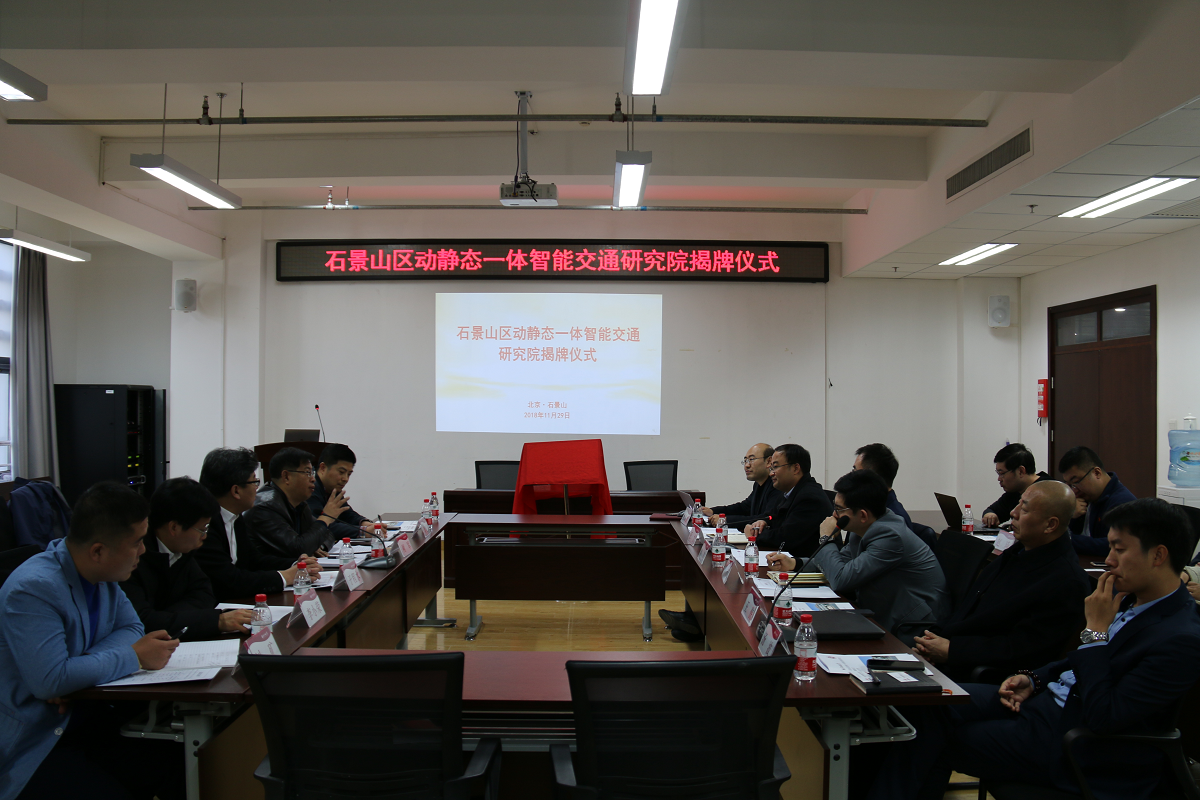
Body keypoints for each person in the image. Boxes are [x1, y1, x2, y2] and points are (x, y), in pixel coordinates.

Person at [868, 498, 1200, 800]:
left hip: (1075, 740)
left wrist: (1095, 634)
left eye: (1119, 549)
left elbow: (1105, 715)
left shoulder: (1180, 638)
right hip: (1045, 705)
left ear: (1158, 555)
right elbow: (1075, 663)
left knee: (938, 739)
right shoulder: (1129, 600)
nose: (1109, 560)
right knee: (929, 704)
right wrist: (1034, 679)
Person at [0, 482, 184, 800]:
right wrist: (134, 658)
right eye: (137, 542)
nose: (143, 551)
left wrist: (76, 673)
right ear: (98, 551)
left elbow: (132, 628)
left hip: (85, 717)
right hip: (36, 742)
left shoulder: (100, 574)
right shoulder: (33, 589)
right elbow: (50, 681)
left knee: (182, 762)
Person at [912, 481, 1090, 682]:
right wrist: (932, 638)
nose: (1013, 513)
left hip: (985, 676)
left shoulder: (1067, 582)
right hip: (950, 653)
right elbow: (968, 609)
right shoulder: (1017, 552)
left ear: (1050, 525)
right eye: (1018, 504)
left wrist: (952, 651)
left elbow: (1023, 650)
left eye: (1024, 509)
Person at [771, 470, 946, 638]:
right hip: (880, 612)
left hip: (911, 627)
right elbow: (840, 562)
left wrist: (826, 538)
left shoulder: (890, 536)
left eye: (839, 509)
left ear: (862, 515)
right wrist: (795, 563)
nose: (834, 514)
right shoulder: (865, 525)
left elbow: (840, 579)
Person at [119, 477, 255, 641]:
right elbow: (143, 622)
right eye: (202, 529)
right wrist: (215, 621)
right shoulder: (133, 558)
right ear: (174, 527)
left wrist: (166, 617)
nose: (204, 536)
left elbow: (204, 593)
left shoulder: (182, 550)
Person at [195, 447, 322, 600]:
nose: (258, 489)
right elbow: (229, 580)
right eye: (254, 482)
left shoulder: (235, 517)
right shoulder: (204, 526)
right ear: (236, 491)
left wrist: (296, 564)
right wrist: (285, 576)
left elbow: (254, 560)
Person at [243, 447, 340, 567]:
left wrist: (318, 546)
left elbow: (327, 534)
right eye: (307, 473)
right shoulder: (265, 508)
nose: (313, 479)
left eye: (312, 473)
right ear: (286, 476)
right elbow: (297, 549)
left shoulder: (299, 504)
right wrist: (325, 518)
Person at [744, 444, 832, 557]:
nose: (771, 473)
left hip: (806, 563)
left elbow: (785, 538)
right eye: (771, 468)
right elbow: (773, 517)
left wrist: (754, 535)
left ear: (796, 468)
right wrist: (764, 523)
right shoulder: (788, 492)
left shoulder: (809, 498)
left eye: (775, 467)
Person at [1059, 446, 1137, 557]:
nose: (1074, 490)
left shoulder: (1123, 503)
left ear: (1096, 473)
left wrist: (1067, 539)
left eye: (1076, 482)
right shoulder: (1084, 497)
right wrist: (1070, 516)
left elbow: (1110, 545)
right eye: (1069, 485)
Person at [853, 443, 935, 545]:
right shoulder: (869, 509)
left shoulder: (893, 522)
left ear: (872, 478)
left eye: (855, 471)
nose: (851, 477)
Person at [699, 443, 781, 528]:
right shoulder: (758, 484)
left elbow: (766, 518)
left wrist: (726, 520)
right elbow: (744, 507)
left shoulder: (777, 486)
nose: (747, 465)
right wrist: (713, 511)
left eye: (751, 459)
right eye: (745, 461)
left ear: (769, 461)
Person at [308, 443, 375, 541]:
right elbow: (322, 526)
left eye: (349, 474)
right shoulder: (309, 489)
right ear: (323, 467)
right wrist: (364, 531)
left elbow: (347, 514)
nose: (345, 479)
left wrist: (365, 523)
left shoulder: (332, 488)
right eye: (341, 472)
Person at [981, 443, 1050, 528]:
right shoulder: (1015, 491)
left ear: (1021, 471)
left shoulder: (1048, 491)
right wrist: (990, 516)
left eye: (1002, 473)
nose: (999, 479)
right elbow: (992, 510)